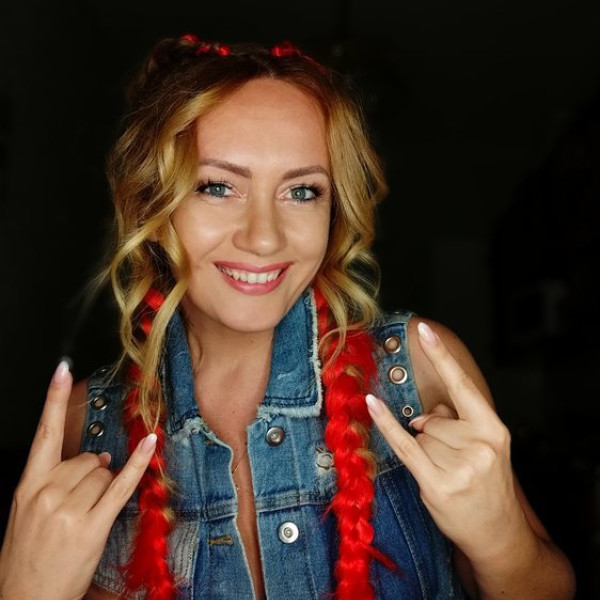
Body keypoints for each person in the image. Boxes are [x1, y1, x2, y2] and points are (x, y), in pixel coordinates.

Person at [0, 35, 575, 600]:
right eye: (218, 186)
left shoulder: (421, 373)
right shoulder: (84, 429)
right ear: (153, 201)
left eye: (302, 192)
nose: (264, 237)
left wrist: (499, 538)